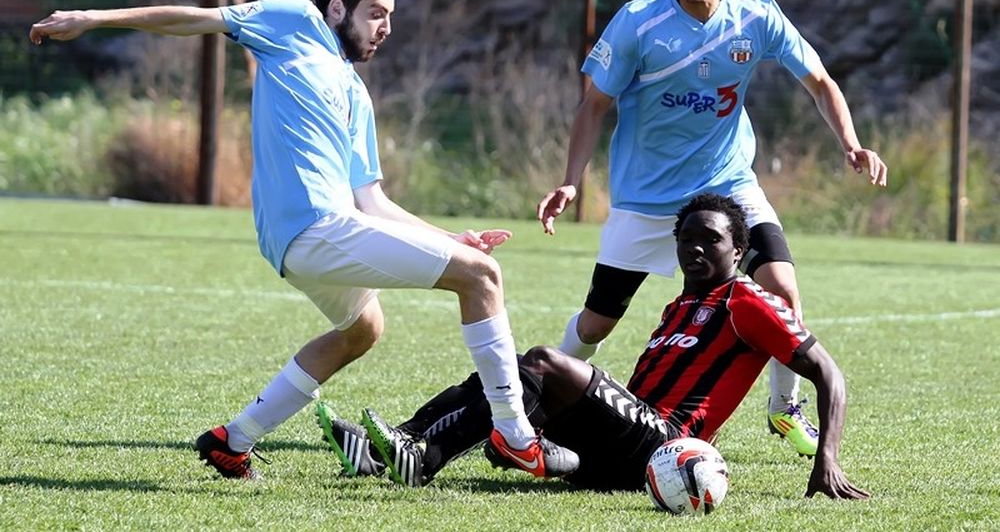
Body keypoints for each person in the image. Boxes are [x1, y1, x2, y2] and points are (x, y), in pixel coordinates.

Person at [29, 0, 578, 481]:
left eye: (390, 16)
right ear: (337, 9)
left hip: (315, 238)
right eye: (376, 14)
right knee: (483, 280)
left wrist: (451, 238)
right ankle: (515, 434)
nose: (386, 28)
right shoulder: (293, 22)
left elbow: (374, 202)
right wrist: (92, 18)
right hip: (315, 229)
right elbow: (195, 19)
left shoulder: (356, 95)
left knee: (363, 329)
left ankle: (232, 441)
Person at [535, 0, 888, 458]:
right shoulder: (638, 22)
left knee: (781, 290)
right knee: (599, 321)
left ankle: (784, 408)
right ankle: (541, 400)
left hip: (727, 184)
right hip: (648, 196)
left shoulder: (756, 14)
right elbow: (594, 104)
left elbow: (819, 82)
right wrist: (571, 180)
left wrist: (851, 142)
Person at [319, 193, 869, 500]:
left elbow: (828, 372)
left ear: (740, 247)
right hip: (621, 446)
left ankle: (425, 457)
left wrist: (826, 459)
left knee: (540, 360)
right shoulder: (678, 306)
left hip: (666, 446)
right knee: (508, 369)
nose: (696, 248)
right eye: (686, 239)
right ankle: (397, 444)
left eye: (712, 240)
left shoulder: (746, 302)